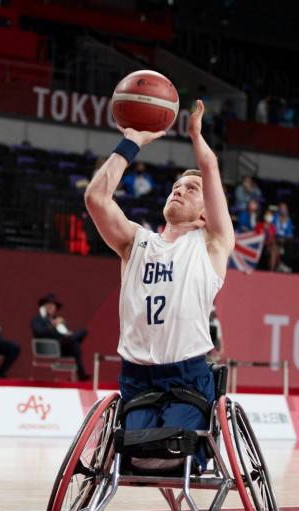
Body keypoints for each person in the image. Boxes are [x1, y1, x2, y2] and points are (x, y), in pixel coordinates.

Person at [83, 99, 233, 468]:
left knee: (168, 458)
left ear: (204, 214)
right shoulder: (136, 242)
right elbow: (95, 198)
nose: (179, 190)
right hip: (137, 379)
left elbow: (210, 168)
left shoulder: (211, 243)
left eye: (191, 189)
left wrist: (197, 138)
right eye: (176, 186)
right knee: (136, 458)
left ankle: (182, 504)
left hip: (187, 376)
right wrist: (131, 142)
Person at [30, 293, 89, 381]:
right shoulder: (37, 320)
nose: (50, 307)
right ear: (44, 306)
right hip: (47, 348)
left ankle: (80, 374)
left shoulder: (57, 320)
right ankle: (81, 374)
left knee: (80, 337)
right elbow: (39, 333)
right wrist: (53, 325)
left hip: (61, 347)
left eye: (53, 305)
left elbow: (61, 334)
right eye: (48, 304)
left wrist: (66, 332)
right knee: (74, 341)